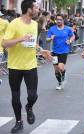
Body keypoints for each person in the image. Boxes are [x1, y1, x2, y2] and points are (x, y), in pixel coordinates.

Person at [2, 0, 52, 133]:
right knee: (15, 96)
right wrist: (20, 39)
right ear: (29, 9)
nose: (38, 9)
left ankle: (29, 107)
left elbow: (32, 44)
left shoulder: (35, 24)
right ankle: (19, 122)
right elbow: (5, 43)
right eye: (36, 7)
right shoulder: (14, 24)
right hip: (15, 66)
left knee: (33, 95)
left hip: (30, 65)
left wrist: (42, 51)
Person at [47, 14, 74, 90]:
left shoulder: (67, 29)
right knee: (56, 69)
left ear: (63, 20)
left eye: (60, 19)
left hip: (64, 51)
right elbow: (47, 40)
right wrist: (50, 39)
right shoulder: (52, 29)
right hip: (55, 51)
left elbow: (73, 36)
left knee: (60, 67)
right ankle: (59, 82)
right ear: (55, 20)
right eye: (57, 19)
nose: (58, 21)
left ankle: (64, 73)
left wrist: (70, 40)